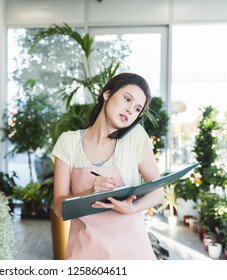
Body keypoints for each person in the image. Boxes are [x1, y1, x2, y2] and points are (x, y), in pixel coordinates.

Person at [51, 72, 164, 260]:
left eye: (137, 109)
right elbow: (58, 207)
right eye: (127, 99)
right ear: (107, 94)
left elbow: (158, 192)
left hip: (132, 252)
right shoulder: (69, 142)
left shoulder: (135, 138)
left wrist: (132, 208)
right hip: (84, 253)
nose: (130, 111)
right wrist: (90, 191)